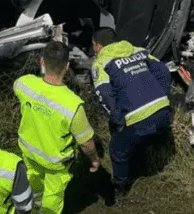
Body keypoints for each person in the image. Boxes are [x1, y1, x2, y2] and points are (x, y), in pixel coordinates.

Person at [13, 41, 100, 214]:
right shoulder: (73, 106)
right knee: (53, 195)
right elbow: (86, 143)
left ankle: (34, 204)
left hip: (29, 151)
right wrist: (95, 159)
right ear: (67, 66)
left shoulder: (24, 84)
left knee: (33, 180)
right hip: (56, 163)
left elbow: (18, 89)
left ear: (42, 62)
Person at [91, 27, 172, 198]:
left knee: (117, 149)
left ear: (97, 46)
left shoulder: (101, 63)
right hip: (163, 111)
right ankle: (144, 158)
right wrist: (162, 95)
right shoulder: (138, 51)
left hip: (139, 118)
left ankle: (120, 187)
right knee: (142, 137)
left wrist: (118, 120)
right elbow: (163, 72)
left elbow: (105, 95)